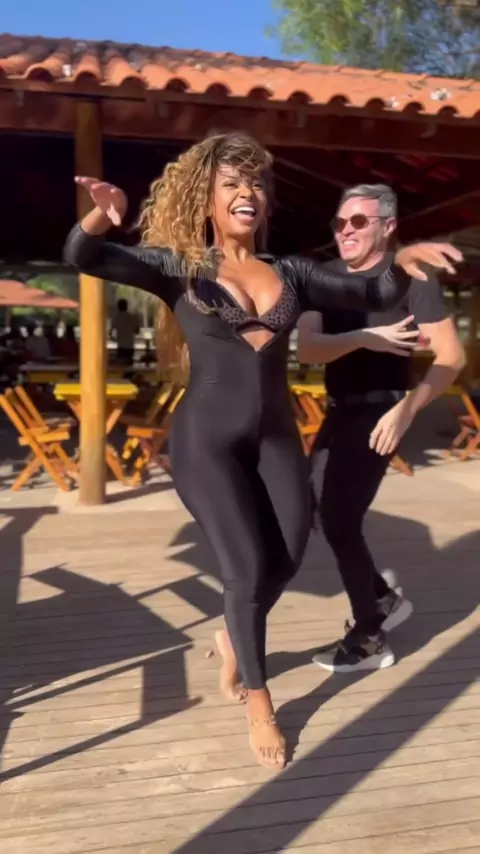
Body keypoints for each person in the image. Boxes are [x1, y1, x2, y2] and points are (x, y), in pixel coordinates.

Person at [63, 133, 462, 768]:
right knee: (246, 570)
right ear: (206, 198)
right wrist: (101, 216)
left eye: (254, 183)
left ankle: (232, 637)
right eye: (231, 183)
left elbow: (372, 293)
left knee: (292, 550)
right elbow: (83, 255)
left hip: (275, 438)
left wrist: (403, 259)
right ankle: (259, 699)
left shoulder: (293, 272)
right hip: (206, 443)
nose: (246, 192)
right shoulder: (177, 266)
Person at [297, 183, 466, 674]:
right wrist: (365, 337)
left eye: (358, 221)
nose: (345, 230)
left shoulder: (413, 278)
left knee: (340, 519)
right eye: (339, 222)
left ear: (388, 226)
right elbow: (309, 348)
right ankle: (381, 599)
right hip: (338, 410)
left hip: (382, 413)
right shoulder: (322, 277)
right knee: (319, 511)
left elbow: (451, 356)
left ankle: (370, 635)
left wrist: (407, 410)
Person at [112, 298, 139, 364]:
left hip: (121, 346)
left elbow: (111, 333)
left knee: (121, 365)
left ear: (118, 307)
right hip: (130, 345)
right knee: (129, 365)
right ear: (126, 307)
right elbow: (137, 331)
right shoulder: (132, 317)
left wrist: (115, 339)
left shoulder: (116, 318)